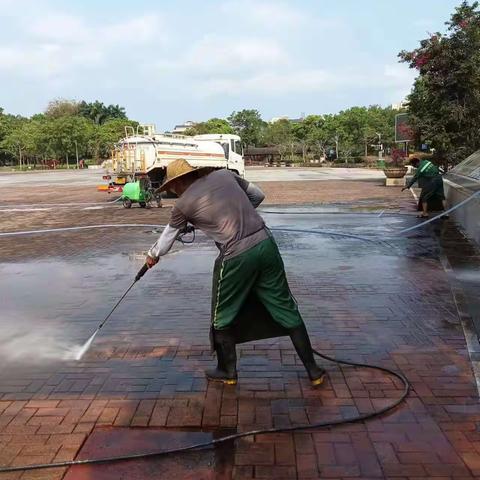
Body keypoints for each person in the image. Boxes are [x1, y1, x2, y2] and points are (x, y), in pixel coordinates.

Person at [145, 159, 326, 387]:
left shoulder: (182, 205)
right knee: (285, 307)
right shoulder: (225, 175)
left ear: (179, 181)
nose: (172, 191)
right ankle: (314, 370)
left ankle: (226, 371)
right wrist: (239, 214)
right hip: (266, 244)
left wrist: (152, 255)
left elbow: (167, 239)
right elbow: (258, 195)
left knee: (222, 316)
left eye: (171, 186)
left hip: (236, 256)